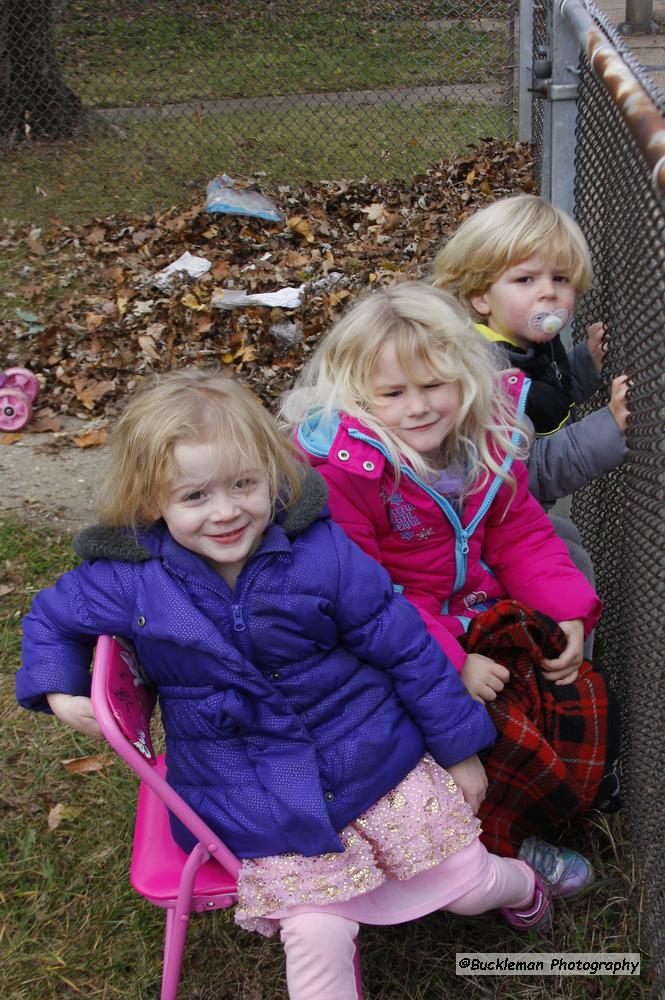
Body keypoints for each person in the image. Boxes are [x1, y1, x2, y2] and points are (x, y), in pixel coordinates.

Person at [17, 369, 556, 1000]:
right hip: (246, 790)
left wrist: (461, 750)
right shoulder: (131, 577)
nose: (225, 511)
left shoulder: (321, 553)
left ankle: (520, 885)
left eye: (243, 484)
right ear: (151, 502)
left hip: (368, 757)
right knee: (315, 930)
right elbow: (51, 617)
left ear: (271, 475)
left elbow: (406, 645)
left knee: (468, 885)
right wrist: (60, 690)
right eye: (194, 497)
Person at [283, 281, 619, 885]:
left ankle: (541, 805)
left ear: (465, 375)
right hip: (387, 642)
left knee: (566, 690)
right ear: (356, 394)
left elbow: (519, 531)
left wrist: (567, 610)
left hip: (471, 612)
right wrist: (449, 660)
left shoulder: (482, 440)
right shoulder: (345, 471)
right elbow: (362, 596)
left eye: (434, 385)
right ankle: (491, 847)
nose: (418, 408)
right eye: (393, 393)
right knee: (473, 729)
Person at [431, 193, 629, 513]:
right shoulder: (483, 375)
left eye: (560, 278)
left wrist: (584, 363)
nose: (549, 291)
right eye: (526, 279)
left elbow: (545, 399)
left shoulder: (530, 341)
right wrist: (611, 426)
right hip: (491, 518)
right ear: (481, 296)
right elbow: (535, 471)